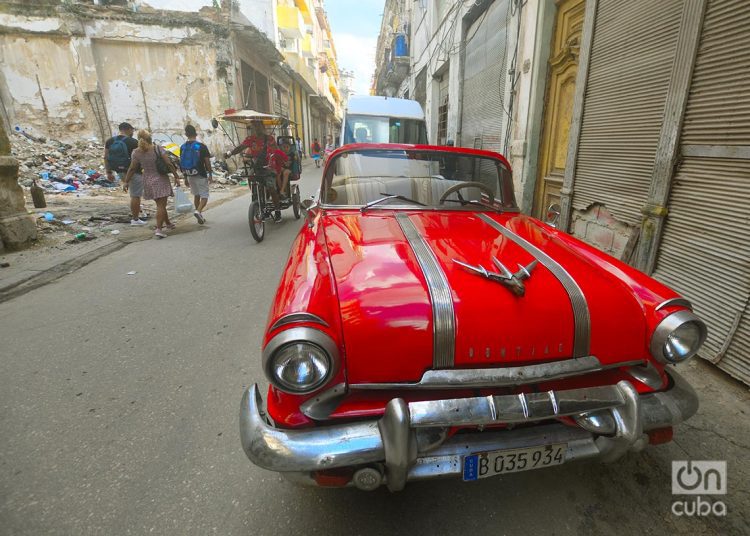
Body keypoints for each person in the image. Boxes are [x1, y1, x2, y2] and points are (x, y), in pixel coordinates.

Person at [124, 130, 182, 239]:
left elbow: (132, 168)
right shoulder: (157, 148)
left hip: (147, 179)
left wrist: (126, 181)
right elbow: (168, 163)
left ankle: (168, 223)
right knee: (161, 205)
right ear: (150, 138)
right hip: (160, 178)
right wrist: (176, 176)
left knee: (160, 204)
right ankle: (159, 229)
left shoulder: (136, 152)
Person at [105, 122, 145, 226]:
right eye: (132, 130)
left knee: (133, 193)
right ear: (128, 129)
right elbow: (141, 158)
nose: (133, 132)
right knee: (135, 195)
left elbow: (106, 157)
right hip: (133, 172)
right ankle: (135, 219)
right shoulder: (133, 142)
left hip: (120, 171)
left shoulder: (110, 141)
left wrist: (109, 172)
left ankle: (137, 211)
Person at [180, 124, 212, 225]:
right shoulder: (201, 146)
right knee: (204, 196)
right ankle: (198, 211)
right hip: (200, 173)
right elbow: (207, 162)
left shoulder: (182, 147)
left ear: (186, 134)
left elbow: (181, 162)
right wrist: (210, 174)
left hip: (189, 174)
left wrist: (185, 177)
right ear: (196, 133)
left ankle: (199, 215)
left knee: (196, 195)